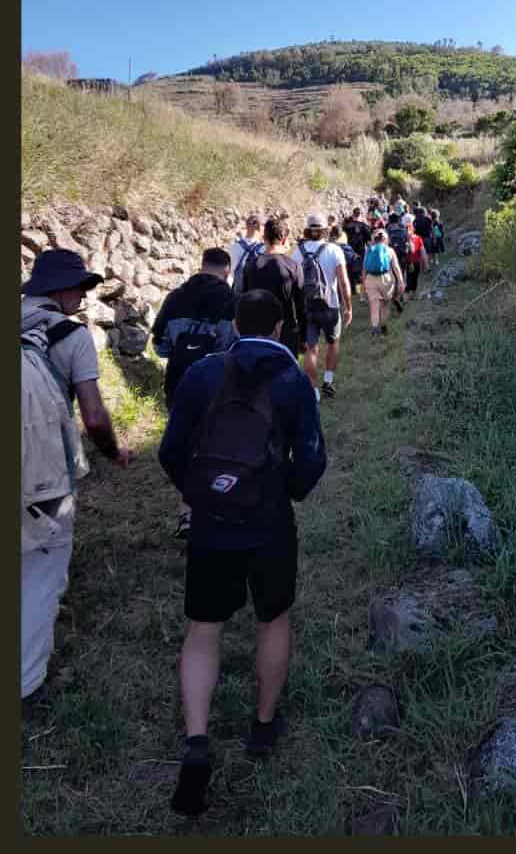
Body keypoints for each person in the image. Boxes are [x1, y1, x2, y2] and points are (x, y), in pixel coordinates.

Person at [158, 288, 326, 816]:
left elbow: (169, 451)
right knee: (273, 618)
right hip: (269, 524)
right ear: (278, 328)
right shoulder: (295, 381)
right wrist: (286, 492)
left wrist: (201, 493)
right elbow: (313, 460)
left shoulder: (203, 374)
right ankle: (262, 725)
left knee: (203, 628)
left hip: (211, 525)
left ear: (235, 323)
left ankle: (198, 740)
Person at [22, 249, 137, 700]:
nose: (84, 297)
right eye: (81, 289)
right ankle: (26, 683)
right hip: (43, 473)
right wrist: (114, 453)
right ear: (63, 290)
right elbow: (93, 415)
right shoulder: (71, 336)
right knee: (41, 569)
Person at [151, 248, 240, 540]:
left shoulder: (174, 297)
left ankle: (188, 512)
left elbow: (160, 346)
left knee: (186, 446)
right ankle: (216, 505)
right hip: (218, 383)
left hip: (177, 383)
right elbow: (232, 344)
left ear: (201, 266)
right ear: (226, 271)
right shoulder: (230, 299)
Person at [296, 214, 352, 400]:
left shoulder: (298, 252)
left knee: (311, 349)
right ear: (324, 230)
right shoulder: (334, 250)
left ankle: (314, 391)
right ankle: (328, 381)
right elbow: (344, 282)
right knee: (333, 342)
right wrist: (348, 307)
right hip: (331, 305)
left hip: (308, 307)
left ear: (307, 229)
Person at [241, 217, 306, 361]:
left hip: (255, 332)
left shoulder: (250, 266)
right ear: (283, 240)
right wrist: (303, 337)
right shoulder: (293, 267)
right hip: (285, 332)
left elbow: (243, 300)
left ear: (264, 239)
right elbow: (301, 306)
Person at [361, 229, 400, 335]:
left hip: (370, 279)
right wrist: (400, 281)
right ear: (386, 239)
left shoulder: (368, 250)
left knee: (374, 304)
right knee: (385, 304)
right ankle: (383, 325)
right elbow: (396, 267)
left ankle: (374, 328)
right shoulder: (390, 250)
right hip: (386, 279)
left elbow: (364, 269)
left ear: (373, 239)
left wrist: (363, 285)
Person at [229, 213, 265, 286]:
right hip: (256, 292)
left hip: (238, 291)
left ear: (246, 225)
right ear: (260, 227)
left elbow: (230, 272)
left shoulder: (234, 247)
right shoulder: (264, 249)